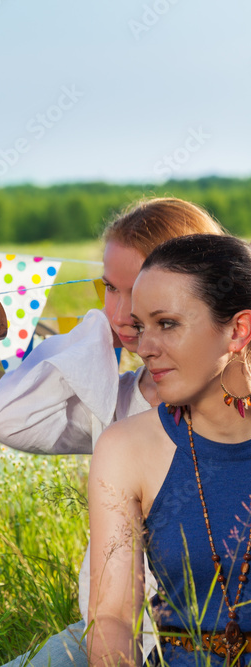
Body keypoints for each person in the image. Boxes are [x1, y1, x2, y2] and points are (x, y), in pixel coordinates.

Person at [0, 198, 225, 666]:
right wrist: (98, 332)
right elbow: (3, 417)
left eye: (137, 293)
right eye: (110, 289)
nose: (120, 312)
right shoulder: (113, 404)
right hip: (109, 635)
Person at [89, 233, 251, 665]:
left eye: (167, 324)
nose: (144, 348)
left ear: (238, 329)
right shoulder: (126, 449)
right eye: (141, 327)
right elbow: (113, 618)